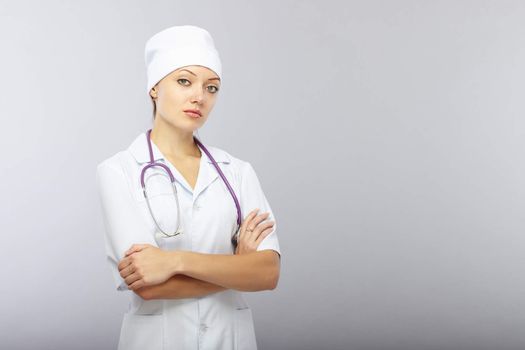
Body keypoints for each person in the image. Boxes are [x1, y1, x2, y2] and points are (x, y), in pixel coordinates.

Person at [95, 25, 281, 350]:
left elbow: (267, 274)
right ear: (154, 87)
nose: (199, 97)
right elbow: (147, 285)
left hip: (230, 339)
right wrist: (236, 266)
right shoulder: (118, 171)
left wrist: (174, 261)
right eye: (184, 81)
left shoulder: (237, 172)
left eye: (212, 88)